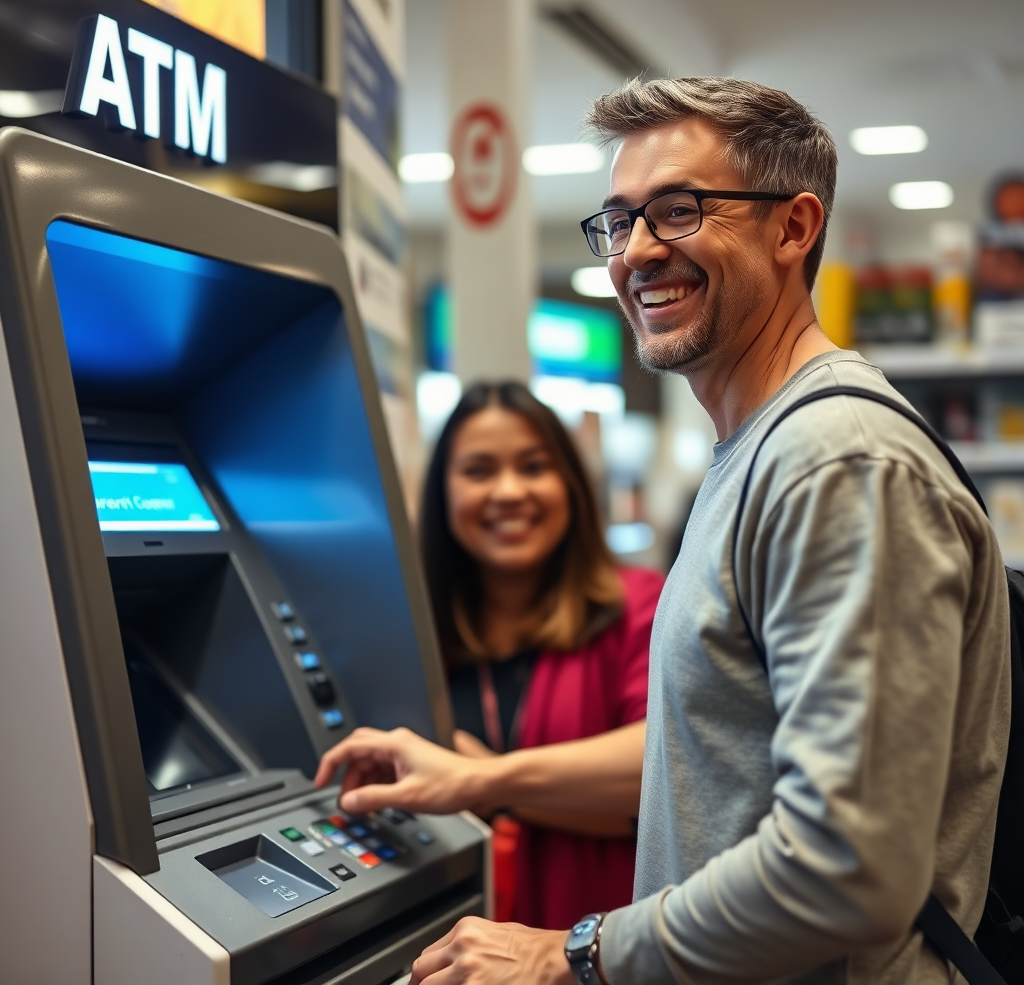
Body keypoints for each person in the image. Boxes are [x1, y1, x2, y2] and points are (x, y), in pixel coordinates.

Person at [319, 77, 1010, 985]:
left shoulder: (835, 460)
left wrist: (574, 954)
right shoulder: (760, 454)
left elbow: (850, 869)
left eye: (679, 212)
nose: (637, 252)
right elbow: (726, 760)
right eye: (620, 221)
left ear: (794, 228)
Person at [316, 380, 663, 930]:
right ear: (444, 493)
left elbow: (661, 777)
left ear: (570, 484)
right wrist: (567, 799)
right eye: (478, 471)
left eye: (532, 466)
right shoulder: (409, 636)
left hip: (598, 953)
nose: (507, 491)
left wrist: (479, 779)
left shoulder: (641, 608)